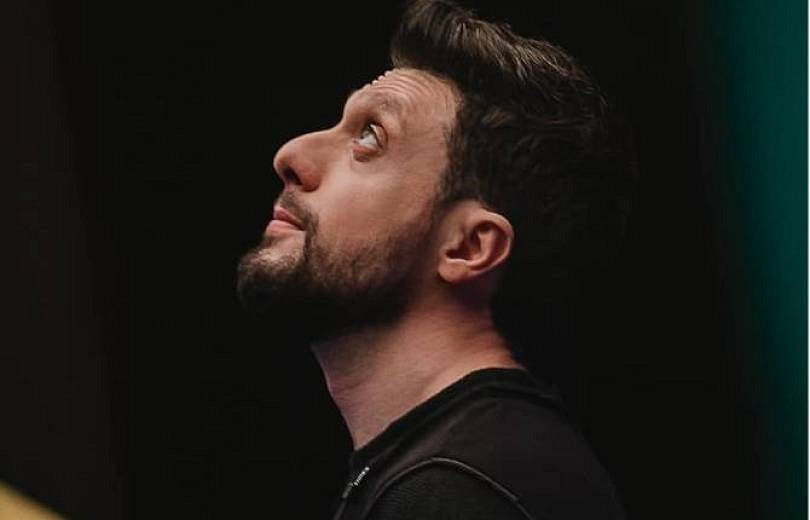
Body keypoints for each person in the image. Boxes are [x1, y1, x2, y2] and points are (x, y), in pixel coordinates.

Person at [236, 0, 635, 518]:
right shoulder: (470, 467)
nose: (291, 154)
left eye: (370, 136)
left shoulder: (455, 493)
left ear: (469, 247)